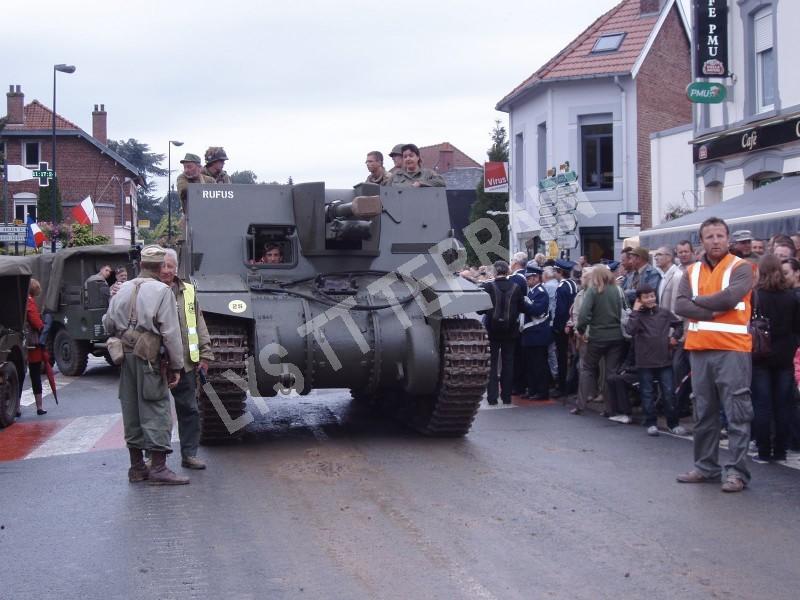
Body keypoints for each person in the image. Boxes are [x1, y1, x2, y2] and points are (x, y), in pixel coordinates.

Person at [674, 217, 754, 493]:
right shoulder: (692, 271)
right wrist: (711, 308)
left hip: (732, 348)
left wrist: (697, 303)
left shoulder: (741, 267)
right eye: (710, 237)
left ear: (728, 238)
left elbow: (730, 298)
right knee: (704, 411)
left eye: (720, 236)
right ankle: (706, 467)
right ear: (702, 241)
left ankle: (737, 472)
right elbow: (680, 305)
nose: (716, 241)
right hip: (700, 349)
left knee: (737, 412)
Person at [103, 245, 187, 485]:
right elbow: (170, 333)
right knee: (157, 409)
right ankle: (159, 468)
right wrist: (176, 366)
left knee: (131, 409)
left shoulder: (121, 289)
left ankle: (137, 467)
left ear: (140, 264)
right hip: (149, 359)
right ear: (161, 266)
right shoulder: (162, 291)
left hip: (126, 358)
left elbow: (108, 324)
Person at [160, 249, 215, 470]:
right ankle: (154, 457)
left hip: (185, 361)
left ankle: (189, 453)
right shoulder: (149, 290)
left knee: (189, 409)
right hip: (158, 362)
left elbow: (198, 323)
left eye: (170, 266)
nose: (166, 270)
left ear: (176, 268)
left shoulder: (188, 291)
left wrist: (205, 353)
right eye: (162, 266)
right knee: (158, 412)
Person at [749, 255, 800, 463]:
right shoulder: (791, 297)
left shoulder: (755, 296)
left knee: (762, 406)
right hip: (785, 356)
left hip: (761, 355)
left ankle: (763, 451)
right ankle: (780, 450)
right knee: (783, 405)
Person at [625, 284, 684, 436]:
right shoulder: (637, 315)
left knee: (669, 392)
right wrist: (636, 311)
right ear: (639, 300)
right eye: (646, 297)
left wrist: (674, 338)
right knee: (647, 392)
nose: (650, 299)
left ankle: (673, 423)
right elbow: (630, 330)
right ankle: (650, 422)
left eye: (652, 295)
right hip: (644, 360)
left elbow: (678, 325)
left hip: (664, 359)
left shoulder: (664, 313)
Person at [574, 267, 624, 415]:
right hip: (616, 336)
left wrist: (581, 330)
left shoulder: (593, 291)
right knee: (610, 372)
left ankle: (580, 404)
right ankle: (610, 408)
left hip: (597, 336)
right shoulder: (617, 290)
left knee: (587, 369)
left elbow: (583, 314)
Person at [479, 260, 526, 405]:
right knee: (508, 363)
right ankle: (506, 396)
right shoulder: (516, 287)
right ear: (507, 271)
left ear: (494, 272)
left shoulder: (488, 286)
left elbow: (479, 310)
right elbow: (522, 307)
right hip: (510, 330)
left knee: (492, 364)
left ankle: (492, 397)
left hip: (492, 330)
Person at [520, 263, 552, 400]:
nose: (527, 281)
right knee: (530, 365)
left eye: (529, 278)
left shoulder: (541, 292)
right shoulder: (532, 292)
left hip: (538, 333)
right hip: (530, 334)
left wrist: (523, 304)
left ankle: (542, 391)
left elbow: (538, 311)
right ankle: (532, 389)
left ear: (536, 278)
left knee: (539, 365)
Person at [551, 259, 577, 398]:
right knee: (573, 357)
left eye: (555, 270)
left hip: (563, 327)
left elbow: (560, 311)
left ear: (560, 272)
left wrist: (557, 327)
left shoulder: (561, 287)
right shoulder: (573, 284)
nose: (554, 273)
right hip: (572, 324)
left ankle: (562, 387)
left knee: (562, 357)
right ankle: (572, 385)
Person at [24, 279, 47, 416]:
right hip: (32, 342)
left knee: (20, 375)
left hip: (23, 342)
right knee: (35, 374)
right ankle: (39, 406)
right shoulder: (30, 301)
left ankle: (18, 407)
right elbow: (36, 322)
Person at [655, 246, 681, 315]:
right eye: (655, 255)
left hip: (673, 323)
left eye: (659, 254)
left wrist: (673, 324)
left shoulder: (677, 275)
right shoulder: (663, 275)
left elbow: (676, 305)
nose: (656, 258)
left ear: (669, 257)